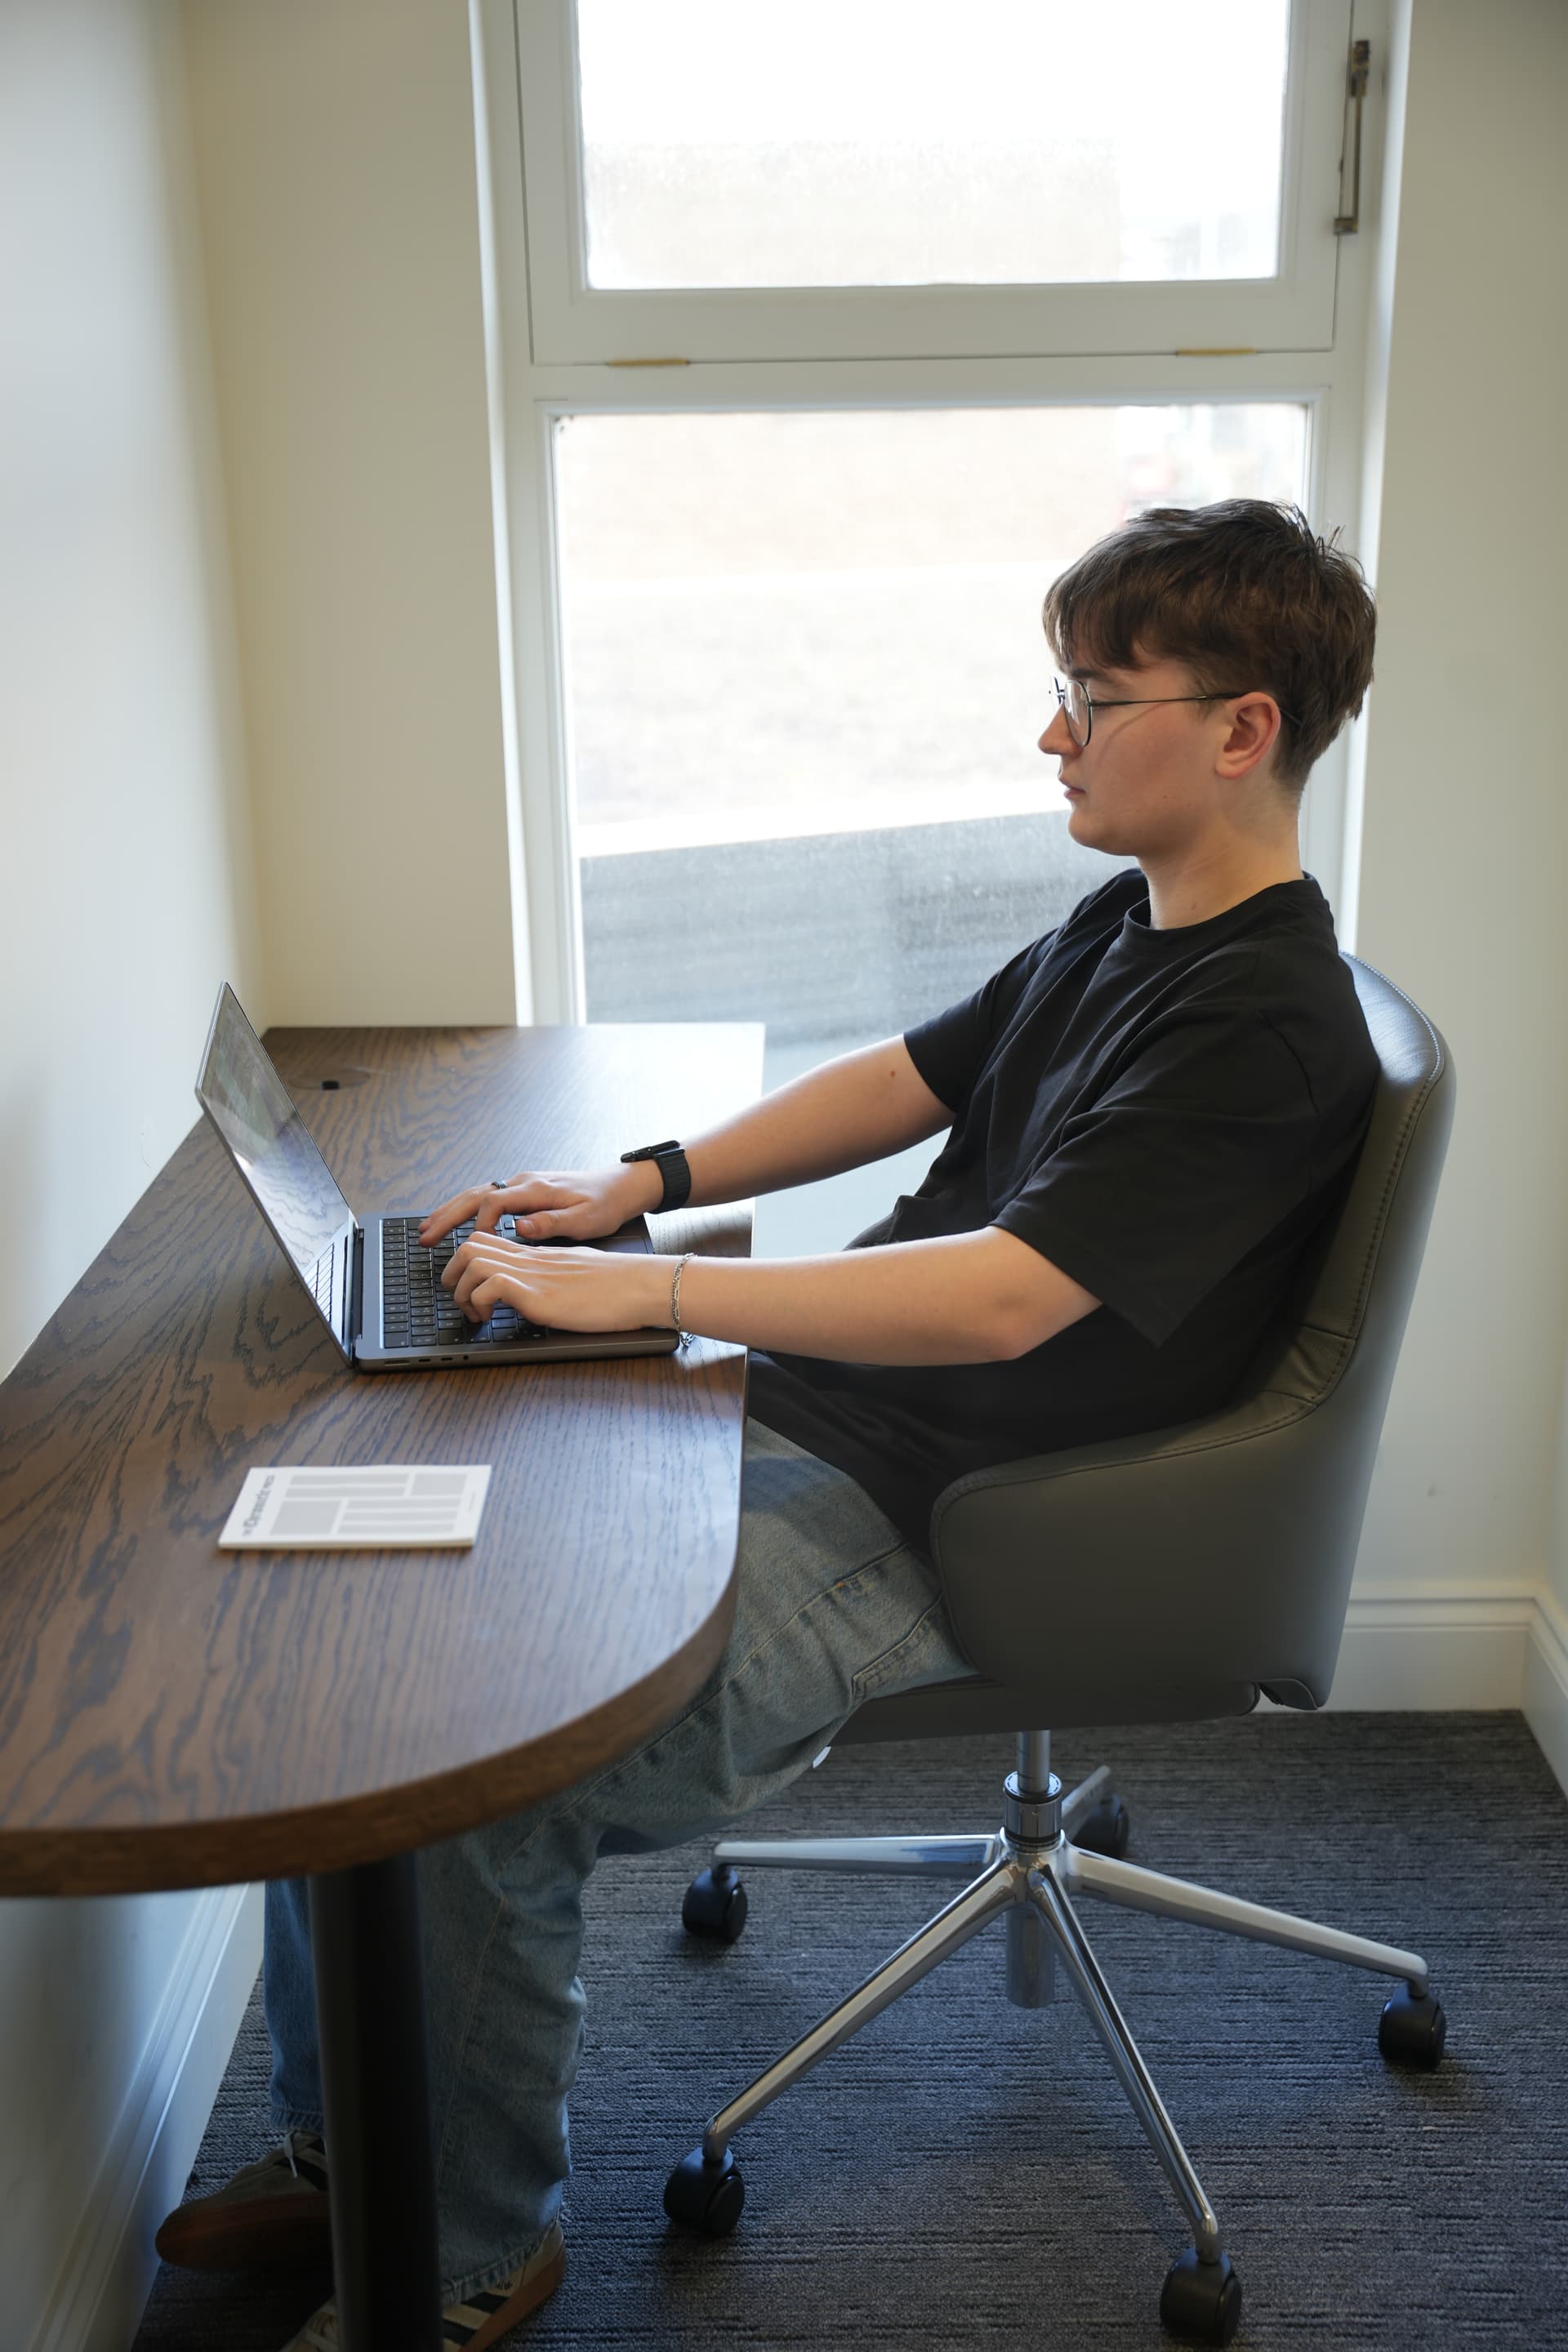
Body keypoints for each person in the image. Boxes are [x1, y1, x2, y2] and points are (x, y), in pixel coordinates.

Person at [155, 497, 1380, 2350]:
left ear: (1242, 729)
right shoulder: (1132, 922)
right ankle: (350, 2149)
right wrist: (636, 1184)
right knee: (368, 1660)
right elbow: (908, 1076)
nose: (1049, 732)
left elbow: (1004, 1297)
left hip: (960, 1510)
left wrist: (652, 1293)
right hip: (840, 1415)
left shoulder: (1263, 1031)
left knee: (480, 1776)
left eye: (1090, 695)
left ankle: (466, 2250)